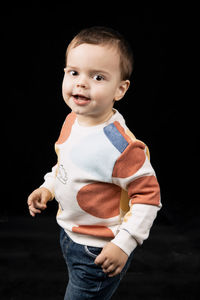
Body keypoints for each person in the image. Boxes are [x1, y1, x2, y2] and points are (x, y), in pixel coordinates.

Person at [27, 26, 161, 300]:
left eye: (98, 77)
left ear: (120, 89)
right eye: (73, 72)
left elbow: (149, 198)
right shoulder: (73, 120)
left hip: (99, 249)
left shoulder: (121, 147)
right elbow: (66, 165)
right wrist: (48, 188)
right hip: (70, 235)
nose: (81, 83)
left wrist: (123, 244)